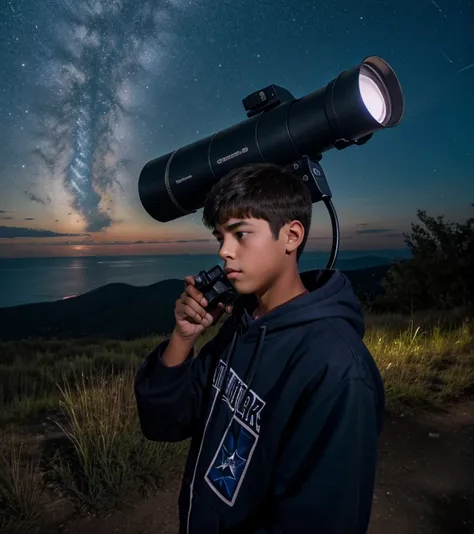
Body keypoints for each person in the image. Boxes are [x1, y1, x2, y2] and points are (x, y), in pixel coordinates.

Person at [134, 162, 385, 534]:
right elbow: (165, 423)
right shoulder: (242, 325)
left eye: (241, 234)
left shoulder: (338, 370)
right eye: (220, 237)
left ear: (291, 235)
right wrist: (183, 337)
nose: (224, 251)